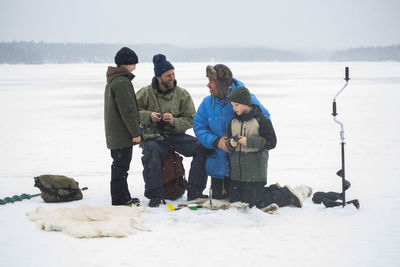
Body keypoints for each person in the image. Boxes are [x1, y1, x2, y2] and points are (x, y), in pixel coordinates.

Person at [136, 54, 208, 207]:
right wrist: (149, 116)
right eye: (168, 75)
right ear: (158, 77)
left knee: (201, 148)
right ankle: (155, 195)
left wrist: (174, 121)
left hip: (176, 136)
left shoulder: (182, 94)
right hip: (154, 137)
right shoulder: (145, 93)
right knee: (150, 151)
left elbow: (191, 119)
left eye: (173, 74)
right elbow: (133, 112)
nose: (172, 78)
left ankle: (194, 191)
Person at [193, 64, 270, 199]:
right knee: (219, 199)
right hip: (219, 167)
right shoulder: (206, 103)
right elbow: (199, 126)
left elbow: (265, 120)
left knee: (249, 199)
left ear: (222, 83)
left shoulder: (245, 98)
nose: (208, 85)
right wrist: (216, 141)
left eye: (212, 81)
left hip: (245, 167)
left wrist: (245, 140)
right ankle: (194, 191)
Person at [225, 86, 302, 208]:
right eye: (232, 105)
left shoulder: (261, 120)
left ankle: (285, 194)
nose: (233, 108)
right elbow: (228, 144)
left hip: (254, 172)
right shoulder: (233, 122)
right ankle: (272, 189)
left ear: (246, 103)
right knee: (234, 201)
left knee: (254, 203)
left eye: (236, 105)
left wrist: (249, 141)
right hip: (237, 175)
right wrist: (231, 144)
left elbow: (271, 142)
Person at [104, 47, 141, 206]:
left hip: (115, 133)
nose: (135, 67)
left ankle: (122, 197)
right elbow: (128, 111)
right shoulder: (122, 82)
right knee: (121, 167)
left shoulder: (114, 80)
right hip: (122, 134)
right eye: (133, 64)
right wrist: (135, 132)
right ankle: (120, 199)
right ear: (126, 64)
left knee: (119, 166)